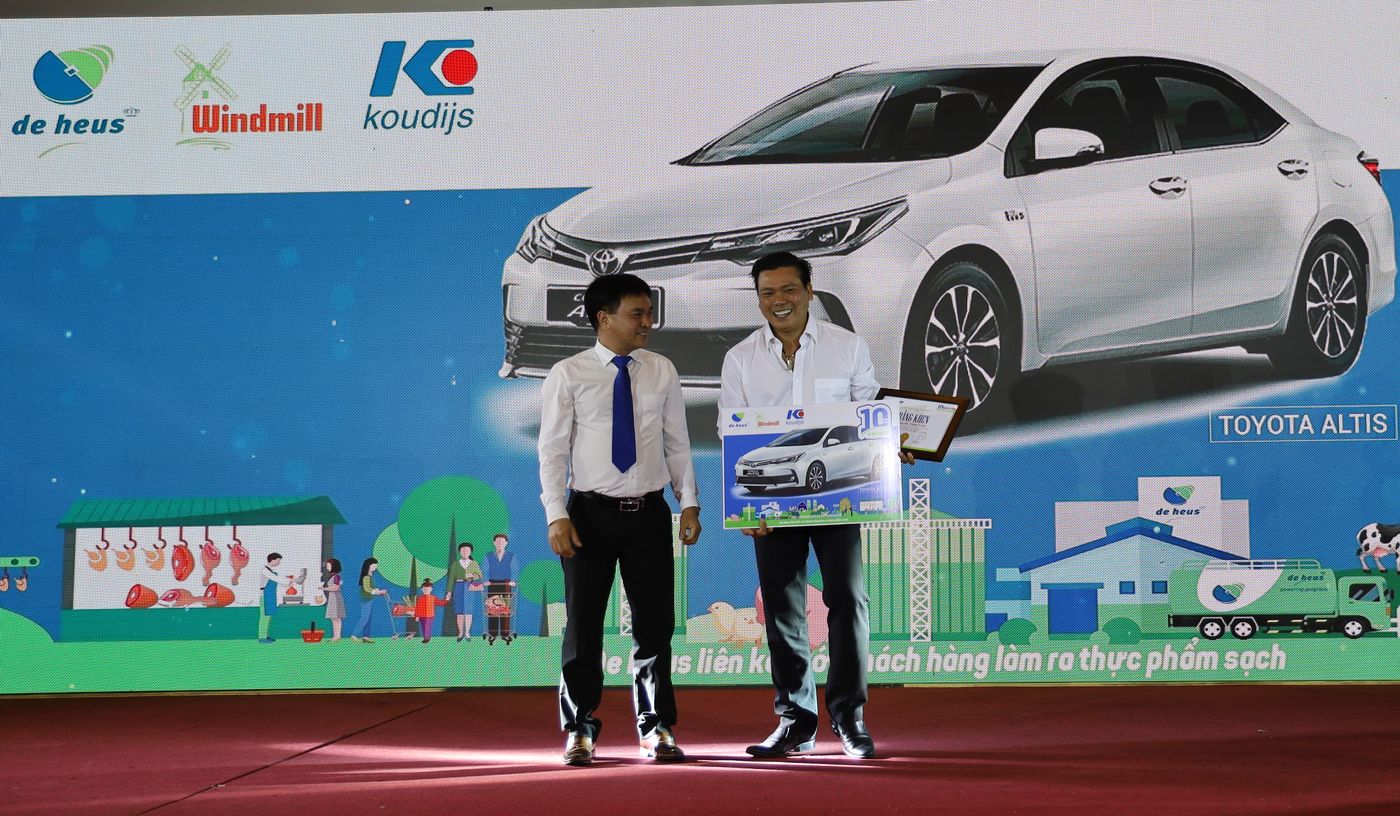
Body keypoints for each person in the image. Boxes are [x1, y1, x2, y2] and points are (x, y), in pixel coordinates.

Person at [719, 251, 911, 760]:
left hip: (837, 499)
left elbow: (871, 414)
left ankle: (850, 718)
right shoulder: (740, 358)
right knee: (781, 609)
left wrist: (897, 440)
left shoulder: (847, 346)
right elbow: (731, 433)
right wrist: (744, 509)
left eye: (788, 289)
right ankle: (795, 722)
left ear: (809, 289)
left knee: (848, 601)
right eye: (767, 293)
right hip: (771, 505)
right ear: (758, 298)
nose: (778, 301)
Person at [538, 272, 702, 767]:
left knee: (655, 626)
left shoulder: (662, 370)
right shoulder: (568, 374)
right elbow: (552, 450)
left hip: (649, 514)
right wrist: (556, 514)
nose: (647, 322)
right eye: (637, 314)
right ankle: (579, 728)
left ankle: (656, 728)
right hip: (588, 515)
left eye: (649, 312)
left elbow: (677, 441)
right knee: (583, 628)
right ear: (603, 318)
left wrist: (688, 501)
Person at [447, 542, 484, 641]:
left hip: (469, 587)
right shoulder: (456, 564)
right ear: (459, 552)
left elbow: (480, 575)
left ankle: (467, 632)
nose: (465, 552)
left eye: (467, 550)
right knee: (459, 611)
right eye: (463, 550)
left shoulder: (474, 563)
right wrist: (449, 592)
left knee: (468, 611)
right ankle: (460, 632)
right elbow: (451, 578)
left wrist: (472, 576)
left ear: (470, 552)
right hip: (458, 586)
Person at [350, 557, 390, 643]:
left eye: (376, 566)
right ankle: (354, 635)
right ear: (368, 566)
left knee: (368, 619)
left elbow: (371, 588)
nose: (375, 568)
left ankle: (366, 636)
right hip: (366, 599)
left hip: (369, 598)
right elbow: (367, 589)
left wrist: (377, 591)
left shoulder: (370, 576)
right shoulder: (366, 577)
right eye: (373, 566)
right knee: (365, 618)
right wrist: (378, 591)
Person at [257, 553, 291, 644]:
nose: (279, 563)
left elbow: (280, 580)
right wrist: (290, 580)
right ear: (272, 560)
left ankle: (266, 635)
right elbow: (276, 579)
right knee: (264, 616)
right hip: (265, 595)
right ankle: (262, 637)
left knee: (269, 616)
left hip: (271, 595)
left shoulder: (272, 570)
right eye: (278, 561)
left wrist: (289, 582)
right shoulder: (265, 570)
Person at [413, 579, 450, 643]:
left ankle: (427, 638)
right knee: (423, 627)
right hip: (422, 615)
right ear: (422, 589)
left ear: (431, 589)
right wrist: (417, 616)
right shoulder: (420, 598)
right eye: (424, 589)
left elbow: (440, 603)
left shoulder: (433, 597)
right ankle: (425, 637)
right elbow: (418, 607)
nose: (426, 590)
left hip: (430, 615)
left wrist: (446, 600)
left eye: (428, 589)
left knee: (427, 627)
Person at [321, 558, 346, 641]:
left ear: (333, 566)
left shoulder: (336, 576)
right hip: (333, 597)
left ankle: (337, 636)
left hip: (335, 598)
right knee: (334, 617)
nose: (327, 567)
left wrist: (324, 588)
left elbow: (336, 588)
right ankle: (336, 635)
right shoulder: (333, 576)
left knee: (336, 617)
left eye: (329, 565)